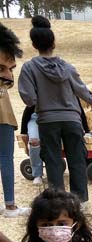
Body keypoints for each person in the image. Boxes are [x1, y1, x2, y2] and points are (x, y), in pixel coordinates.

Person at [18, 16, 92, 206]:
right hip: (72, 119)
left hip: (47, 120)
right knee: (77, 158)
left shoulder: (29, 68)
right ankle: (80, 202)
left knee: (53, 161)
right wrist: (91, 100)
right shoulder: (67, 66)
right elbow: (81, 88)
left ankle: (58, 202)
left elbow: (29, 99)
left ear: (34, 45)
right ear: (54, 42)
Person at [0, 23, 30, 218]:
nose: (8, 73)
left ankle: (10, 205)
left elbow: (8, 84)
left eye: (10, 68)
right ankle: (10, 206)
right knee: (5, 158)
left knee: (6, 158)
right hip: (3, 114)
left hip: (4, 113)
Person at [21, 106, 44, 185]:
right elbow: (29, 107)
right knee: (34, 140)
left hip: (55, 114)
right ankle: (37, 174)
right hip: (36, 116)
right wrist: (23, 131)